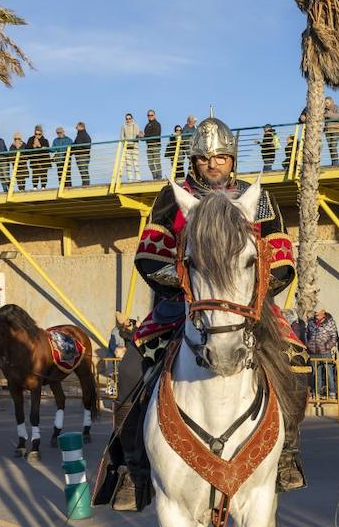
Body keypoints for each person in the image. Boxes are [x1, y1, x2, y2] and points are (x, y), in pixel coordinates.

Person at [97, 117, 307, 507]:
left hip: (249, 303)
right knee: (129, 370)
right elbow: (149, 255)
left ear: (232, 159)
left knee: (296, 359)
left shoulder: (256, 196)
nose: (215, 164)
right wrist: (192, 286)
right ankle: (133, 470)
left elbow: (279, 254)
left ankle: (288, 453)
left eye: (222, 157)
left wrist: (252, 294)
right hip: (182, 302)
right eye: (206, 158)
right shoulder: (171, 197)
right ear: (194, 161)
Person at [304, 308, 338, 406]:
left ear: (323, 312)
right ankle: (316, 393)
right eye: (315, 313)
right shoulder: (311, 322)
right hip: (313, 352)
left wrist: (327, 346)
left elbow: (334, 336)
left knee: (329, 373)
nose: (316, 314)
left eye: (317, 313)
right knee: (316, 374)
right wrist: (308, 345)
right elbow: (307, 334)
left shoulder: (330, 322)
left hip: (325, 352)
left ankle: (332, 393)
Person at [119, 113, 142, 180]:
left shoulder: (136, 125)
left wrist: (140, 135)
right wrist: (125, 144)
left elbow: (138, 135)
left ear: (132, 119)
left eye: (129, 118)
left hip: (135, 147)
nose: (128, 120)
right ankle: (130, 179)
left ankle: (138, 178)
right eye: (127, 119)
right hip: (127, 147)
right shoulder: (123, 126)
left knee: (136, 163)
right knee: (128, 164)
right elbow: (122, 136)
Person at [324, 96, 339, 164]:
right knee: (330, 147)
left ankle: (336, 163)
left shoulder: (336, 107)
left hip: (336, 130)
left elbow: (338, 116)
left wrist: (329, 114)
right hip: (327, 130)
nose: (326, 104)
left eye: (327, 102)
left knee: (333, 146)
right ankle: (333, 162)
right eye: (325, 103)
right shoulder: (324, 109)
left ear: (331, 102)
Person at [143, 110, 162, 180]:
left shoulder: (157, 124)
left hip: (155, 145)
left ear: (154, 115)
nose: (150, 116)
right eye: (149, 115)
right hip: (149, 146)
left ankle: (159, 177)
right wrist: (140, 136)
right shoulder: (147, 125)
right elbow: (145, 137)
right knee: (150, 164)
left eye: (151, 115)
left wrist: (146, 136)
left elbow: (156, 134)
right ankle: (155, 177)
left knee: (157, 162)